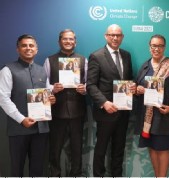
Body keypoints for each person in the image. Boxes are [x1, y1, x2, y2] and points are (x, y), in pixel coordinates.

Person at [0, 34, 55, 176]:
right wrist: (21, 119)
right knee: (17, 169)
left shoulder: (42, 70)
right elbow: (3, 98)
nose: (28, 48)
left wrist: (51, 98)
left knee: (37, 170)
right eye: (24, 45)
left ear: (36, 49)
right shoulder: (7, 69)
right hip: (19, 129)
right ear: (18, 49)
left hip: (41, 129)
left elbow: (47, 92)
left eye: (31, 45)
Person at [86, 24, 135, 177]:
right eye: (112, 35)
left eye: (118, 35)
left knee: (119, 149)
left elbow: (128, 79)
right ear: (106, 36)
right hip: (105, 112)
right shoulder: (97, 56)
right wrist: (104, 103)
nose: (115, 38)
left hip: (123, 112)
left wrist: (133, 86)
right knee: (101, 149)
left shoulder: (126, 55)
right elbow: (91, 85)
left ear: (122, 37)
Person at [134, 34, 169, 177]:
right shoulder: (145, 66)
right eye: (154, 46)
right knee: (152, 148)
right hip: (147, 118)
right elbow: (138, 86)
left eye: (160, 46)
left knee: (162, 149)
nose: (157, 49)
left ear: (164, 47)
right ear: (149, 47)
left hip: (164, 116)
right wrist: (138, 90)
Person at [43, 29, 88, 176]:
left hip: (78, 111)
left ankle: (76, 174)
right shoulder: (49, 60)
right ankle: (55, 174)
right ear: (59, 41)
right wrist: (52, 89)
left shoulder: (83, 60)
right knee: (55, 149)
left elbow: (89, 82)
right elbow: (44, 84)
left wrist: (84, 88)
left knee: (77, 149)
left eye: (71, 39)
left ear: (75, 41)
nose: (68, 41)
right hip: (56, 111)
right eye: (65, 39)